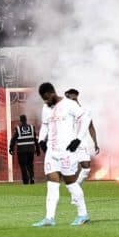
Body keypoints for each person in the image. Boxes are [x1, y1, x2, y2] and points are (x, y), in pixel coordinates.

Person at [32, 82, 90, 227]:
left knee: (70, 183)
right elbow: (45, 125)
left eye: (47, 98)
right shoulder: (46, 108)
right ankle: (49, 218)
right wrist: (41, 140)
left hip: (67, 151)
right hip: (52, 151)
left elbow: (86, 118)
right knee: (52, 184)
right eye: (43, 100)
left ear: (52, 94)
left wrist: (78, 139)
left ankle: (83, 214)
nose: (46, 102)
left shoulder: (69, 104)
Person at [64, 89, 100, 187]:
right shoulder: (65, 113)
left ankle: (76, 187)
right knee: (69, 169)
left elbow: (91, 127)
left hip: (82, 144)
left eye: (71, 97)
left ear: (76, 97)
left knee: (86, 168)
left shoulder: (86, 111)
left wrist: (95, 142)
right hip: (68, 144)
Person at [8, 114, 40, 184]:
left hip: (21, 150)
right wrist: (38, 149)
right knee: (30, 164)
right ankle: (32, 178)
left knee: (23, 165)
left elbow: (13, 139)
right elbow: (35, 139)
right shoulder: (32, 128)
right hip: (31, 150)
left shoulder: (18, 129)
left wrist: (11, 148)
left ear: (20, 120)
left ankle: (26, 180)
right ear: (26, 120)